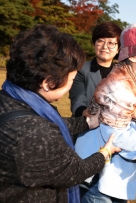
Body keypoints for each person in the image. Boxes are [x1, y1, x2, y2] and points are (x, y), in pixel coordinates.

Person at [0, 24, 120, 203]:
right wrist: (105, 152)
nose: (71, 84)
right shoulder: (36, 135)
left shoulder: (11, 97)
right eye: (71, 79)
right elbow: (75, 171)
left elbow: (49, 123)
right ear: (48, 82)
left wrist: (87, 122)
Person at [75, 22, 136, 203]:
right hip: (99, 177)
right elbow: (117, 136)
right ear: (134, 56)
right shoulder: (118, 86)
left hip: (115, 176)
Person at [69, 22, 122, 117]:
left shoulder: (122, 73)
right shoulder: (81, 70)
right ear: (94, 43)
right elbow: (77, 100)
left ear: (118, 49)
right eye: (100, 41)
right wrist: (86, 113)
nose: (105, 47)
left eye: (111, 43)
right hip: (87, 125)